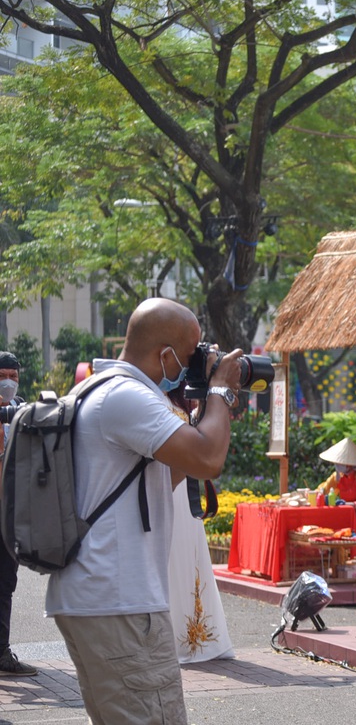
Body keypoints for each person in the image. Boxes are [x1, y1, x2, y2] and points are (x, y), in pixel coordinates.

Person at [45, 298, 242, 725]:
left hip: (99, 598)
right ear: (164, 355)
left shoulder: (97, 388)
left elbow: (165, 475)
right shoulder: (126, 396)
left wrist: (210, 414)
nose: (195, 365)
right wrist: (221, 389)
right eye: (191, 356)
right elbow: (208, 460)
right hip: (118, 601)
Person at [164, 388, 235, 664]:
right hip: (168, 490)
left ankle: (193, 634)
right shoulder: (151, 397)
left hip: (184, 494)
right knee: (170, 561)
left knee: (189, 558)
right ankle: (171, 637)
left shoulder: (179, 401)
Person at [0, 351, 36, 676]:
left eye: (14, 376)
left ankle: (2, 652)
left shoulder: (21, 410)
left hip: (9, 512)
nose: (9, 382)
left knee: (6, 581)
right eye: (4, 375)